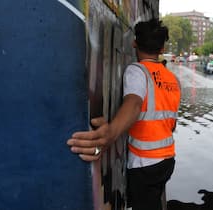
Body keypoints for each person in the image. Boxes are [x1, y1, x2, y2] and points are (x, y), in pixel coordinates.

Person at [67, 18, 181, 210]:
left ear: (134, 43)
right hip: (167, 159)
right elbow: (172, 123)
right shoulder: (173, 79)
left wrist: (110, 133)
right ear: (162, 49)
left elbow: (134, 103)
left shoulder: (137, 71)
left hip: (145, 164)